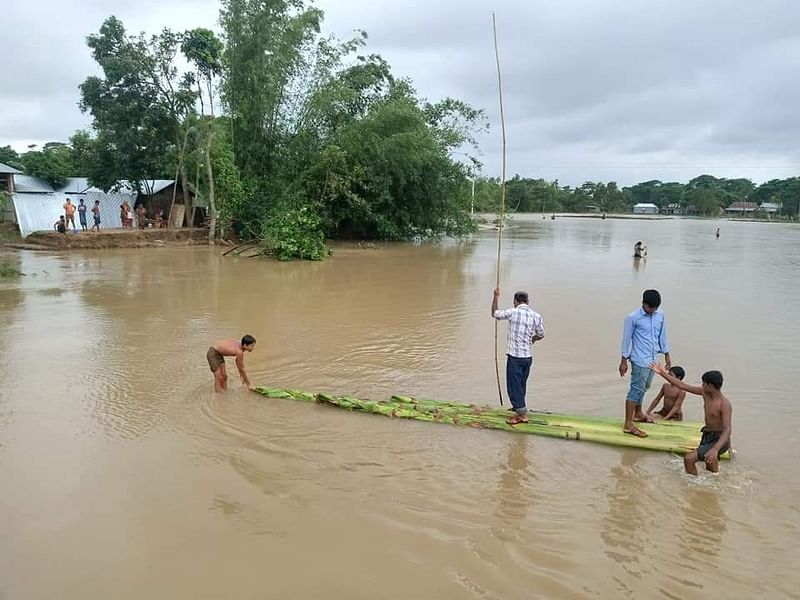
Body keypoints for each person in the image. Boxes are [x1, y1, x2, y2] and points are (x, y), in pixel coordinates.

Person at [651, 363, 732, 475]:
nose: (701, 385)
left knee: (689, 459)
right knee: (710, 465)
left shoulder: (724, 404)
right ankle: (714, 483)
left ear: (711, 385)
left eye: (703, 383)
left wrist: (716, 449)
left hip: (719, 440)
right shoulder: (705, 394)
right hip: (707, 435)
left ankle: (693, 484)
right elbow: (682, 385)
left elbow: (727, 430)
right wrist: (662, 373)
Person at [619, 289, 670, 437]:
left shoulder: (660, 315)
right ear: (643, 304)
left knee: (645, 387)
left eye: (655, 308)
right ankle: (628, 424)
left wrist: (667, 354)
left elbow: (662, 334)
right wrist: (623, 361)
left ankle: (638, 413)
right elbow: (626, 339)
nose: (652, 311)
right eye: (650, 308)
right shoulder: (632, 318)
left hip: (653, 358)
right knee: (636, 389)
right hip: (639, 359)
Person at [491, 288, 545, 424]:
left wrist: (496, 297)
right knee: (521, 384)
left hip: (515, 357)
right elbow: (541, 334)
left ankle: (522, 414)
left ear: (515, 301)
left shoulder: (513, 312)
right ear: (527, 301)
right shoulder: (535, 316)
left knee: (514, 385)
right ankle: (518, 407)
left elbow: (495, 314)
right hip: (527, 357)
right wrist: (532, 339)